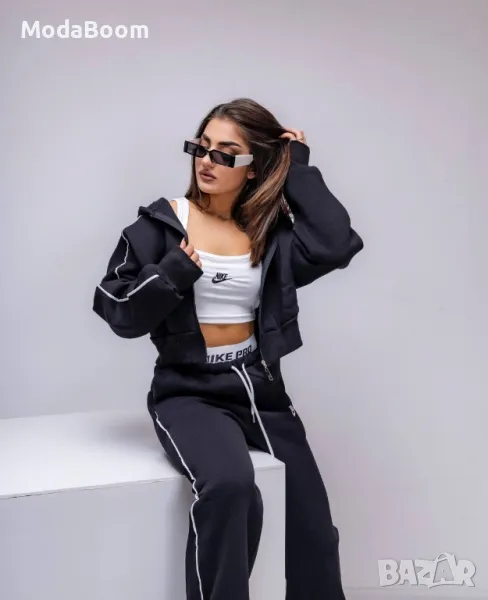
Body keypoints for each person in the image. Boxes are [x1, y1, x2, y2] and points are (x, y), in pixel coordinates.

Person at [93, 97, 363, 600]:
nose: (207, 161)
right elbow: (115, 309)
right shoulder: (163, 224)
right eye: (202, 147)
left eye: (225, 153)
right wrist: (170, 273)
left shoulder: (267, 233)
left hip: (261, 389)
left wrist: (297, 170)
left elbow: (335, 243)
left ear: (252, 166)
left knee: (314, 531)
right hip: (189, 392)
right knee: (230, 488)